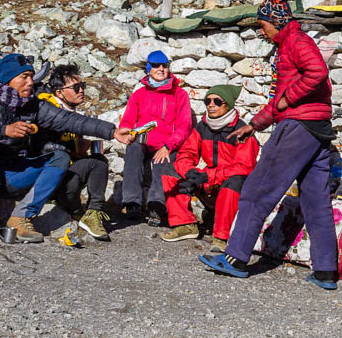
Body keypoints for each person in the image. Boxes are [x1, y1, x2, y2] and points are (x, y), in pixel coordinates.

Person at [198, 0, 339, 289]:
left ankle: (235, 257)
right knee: (315, 201)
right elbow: (281, 101)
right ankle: (326, 270)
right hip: (317, 129)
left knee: (256, 190)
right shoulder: (290, 43)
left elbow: (316, 73)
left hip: (298, 128)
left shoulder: (296, 41)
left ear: (276, 21)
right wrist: (255, 124)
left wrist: (290, 97)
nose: (261, 31)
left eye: (263, 25)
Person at [0, 53, 133, 242]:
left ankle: (21, 218)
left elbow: (69, 120)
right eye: (24, 77)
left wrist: (112, 131)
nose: (31, 82)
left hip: (9, 176)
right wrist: (3, 130)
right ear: (7, 79)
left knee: (60, 157)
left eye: (31, 76)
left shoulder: (33, 105)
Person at [161, 85, 260, 250]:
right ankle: (184, 224)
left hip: (232, 185)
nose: (211, 105)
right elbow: (186, 154)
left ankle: (221, 237)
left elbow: (244, 167)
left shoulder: (241, 131)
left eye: (217, 101)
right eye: (207, 101)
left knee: (234, 182)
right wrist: (191, 173)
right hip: (210, 180)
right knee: (171, 170)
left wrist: (207, 176)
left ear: (227, 104)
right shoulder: (202, 126)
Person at [118, 50, 192, 226]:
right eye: (156, 66)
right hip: (144, 140)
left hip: (166, 143)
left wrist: (169, 145)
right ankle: (132, 203)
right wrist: (128, 135)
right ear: (149, 69)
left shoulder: (179, 95)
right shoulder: (139, 94)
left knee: (162, 161)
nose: (161, 69)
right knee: (133, 150)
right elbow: (128, 120)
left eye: (164, 66)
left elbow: (184, 125)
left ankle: (156, 207)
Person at [39, 64, 112, 240]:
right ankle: (79, 210)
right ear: (59, 92)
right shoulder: (47, 109)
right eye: (76, 87)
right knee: (97, 163)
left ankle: (92, 212)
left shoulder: (70, 111)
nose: (81, 91)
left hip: (64, 173)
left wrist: (80, 148)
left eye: (83, 86)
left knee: (97, 160)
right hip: (46, 174)